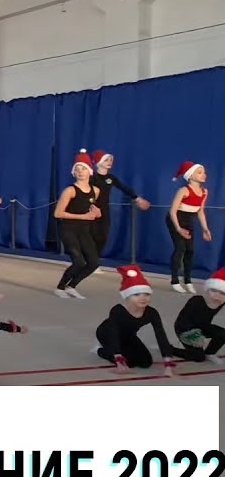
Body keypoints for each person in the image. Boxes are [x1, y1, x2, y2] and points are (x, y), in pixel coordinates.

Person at [93, 265, 185, 374]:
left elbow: (161, 336)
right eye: (136, 295)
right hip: (106, 334)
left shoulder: (151, 313)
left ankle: (120, 352)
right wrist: (118, 359)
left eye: (146, 294)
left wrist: (168, 362)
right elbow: (113, 333)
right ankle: (100, 350)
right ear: (127, 296)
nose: (143, 298)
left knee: (146, 362)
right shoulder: (118, 311)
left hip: (129, 336)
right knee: (129, 362)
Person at [53, 151, 102, 299]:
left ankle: (72, 286)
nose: (80, 172)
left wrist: (97, 212)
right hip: (68, 229)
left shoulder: (96, 191)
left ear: (90, 171)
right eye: (77, 169)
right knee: (78, 262)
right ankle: (60, 288)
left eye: (84, 169)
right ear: (73, 172)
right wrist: (83, 216)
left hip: (83, 230)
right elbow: (58, 213)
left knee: (93, 263)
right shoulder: (70, 191)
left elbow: (90, 207)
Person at [89, 149, 151, 258]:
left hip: (104, 210)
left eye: (111, 160)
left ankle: (95, 259)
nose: (109, 162)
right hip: (91, 209)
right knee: (90, 234)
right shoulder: (92, 177)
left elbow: (124, 188)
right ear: (99, 162)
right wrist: (91, 206)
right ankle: (87, 258)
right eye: (106, 160)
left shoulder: (111, 178)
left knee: (103, 235)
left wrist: (138, 199)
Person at [169, 161, 211, 293]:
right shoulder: (183, 191)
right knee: (180, 248)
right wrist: (178, 229)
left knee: (190, 250)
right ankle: (174, 280)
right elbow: (172, 211)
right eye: (199, 172)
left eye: (204, 172)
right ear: (190, 175)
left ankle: (187, 280)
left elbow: (200, 211)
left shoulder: (204, 192)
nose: (204, 175)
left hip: (188, 221)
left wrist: (205, 228)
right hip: (175, 220)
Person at [176, 267, 224, 364]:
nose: (217, 295)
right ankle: (168, 348)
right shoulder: (196, 301)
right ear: (208, 289)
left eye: (222, 293)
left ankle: (210, 353)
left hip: (203, 326)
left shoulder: (221, 301)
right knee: (198, 357)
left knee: (223, 334)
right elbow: (183, 322)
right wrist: (195, 337)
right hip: (185, 329)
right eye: (213, 290)